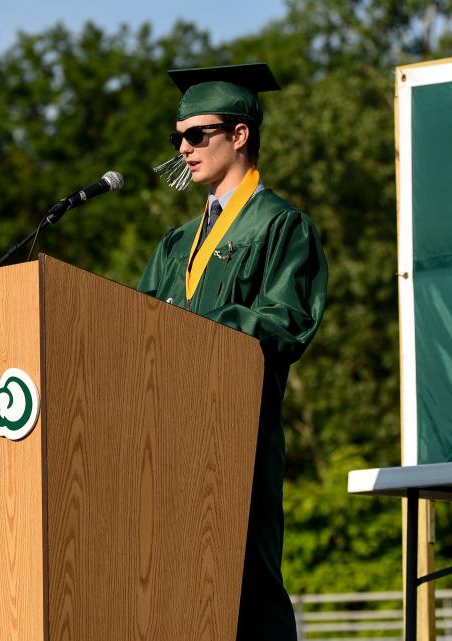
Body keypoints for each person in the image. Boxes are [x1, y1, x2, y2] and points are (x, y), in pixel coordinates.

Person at [137, 63, 328, 640]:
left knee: (245, 587)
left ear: (240, 134)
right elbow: (135, 326)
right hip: (163, 435)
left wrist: (190, 323)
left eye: (198, 135)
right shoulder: (176, 245)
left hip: (238, 434)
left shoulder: (281, 226)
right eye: (178, 137)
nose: (184, 148)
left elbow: (286, 324)